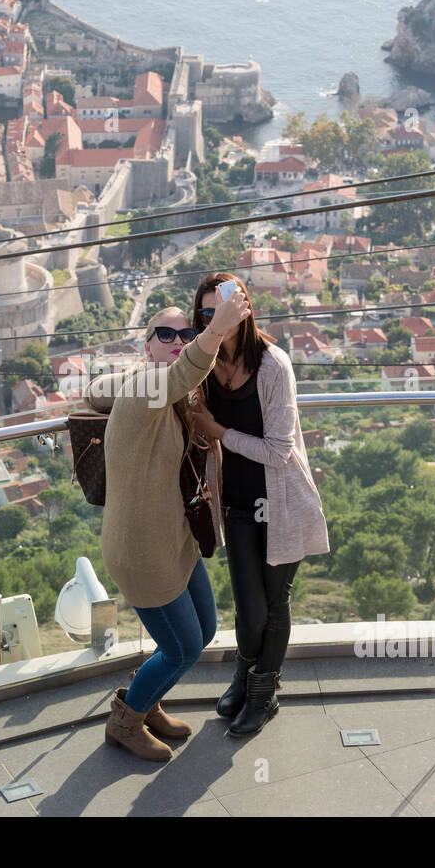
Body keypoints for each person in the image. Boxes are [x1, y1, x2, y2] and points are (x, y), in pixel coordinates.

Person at [84, 291, 251, 761]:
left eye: (187, 333)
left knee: (204, 627)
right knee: (182, 649)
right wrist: (216, 328)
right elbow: (183, 372)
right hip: (141, 551)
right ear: (148, 346)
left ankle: (147, 699)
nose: (178, 341)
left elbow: (97, 389)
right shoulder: (145, 390)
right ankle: (125, 720)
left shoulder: (161, 393)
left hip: (173, 540)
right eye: (166, 334)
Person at [188, 272, 330, 738]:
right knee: (248, 609)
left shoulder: (273, 366)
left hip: (281, 502)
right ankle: (243, 679)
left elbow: (278, 450)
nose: (218, 319)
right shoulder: (204, 365)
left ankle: (263, 693)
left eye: (225, 310)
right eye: (207, 313)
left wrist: (219, 432)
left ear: (244, 310)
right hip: (237, 503)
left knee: (273, 605)